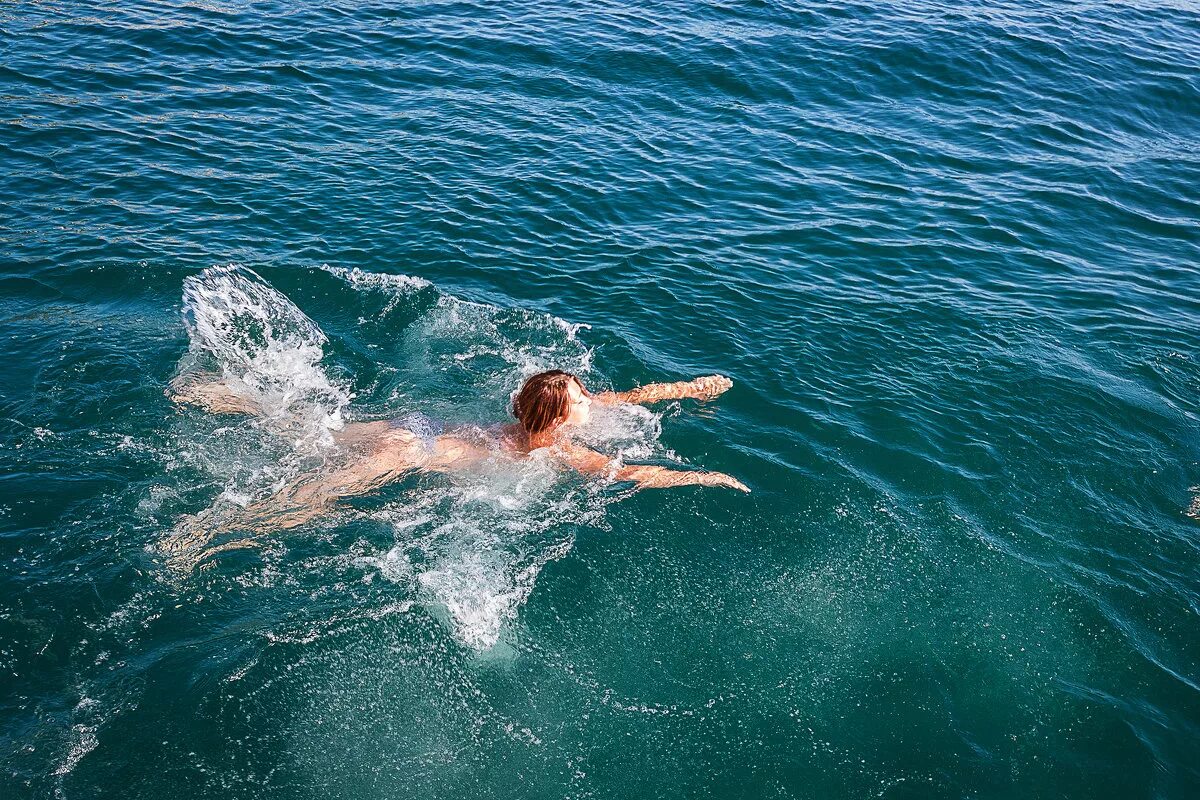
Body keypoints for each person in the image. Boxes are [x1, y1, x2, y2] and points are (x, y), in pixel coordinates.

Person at [162, 369, 748, 566]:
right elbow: (626, 474)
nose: (590, 397)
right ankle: (205, 537)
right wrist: (702, 476)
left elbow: (621, 399)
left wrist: (691, 389)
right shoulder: (552, 450)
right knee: (314, 499)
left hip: (412, 429)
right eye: (580, 397)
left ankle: (219, 396)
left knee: (313, 431)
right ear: (560, 418)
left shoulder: (534, 415)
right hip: (407, 453)